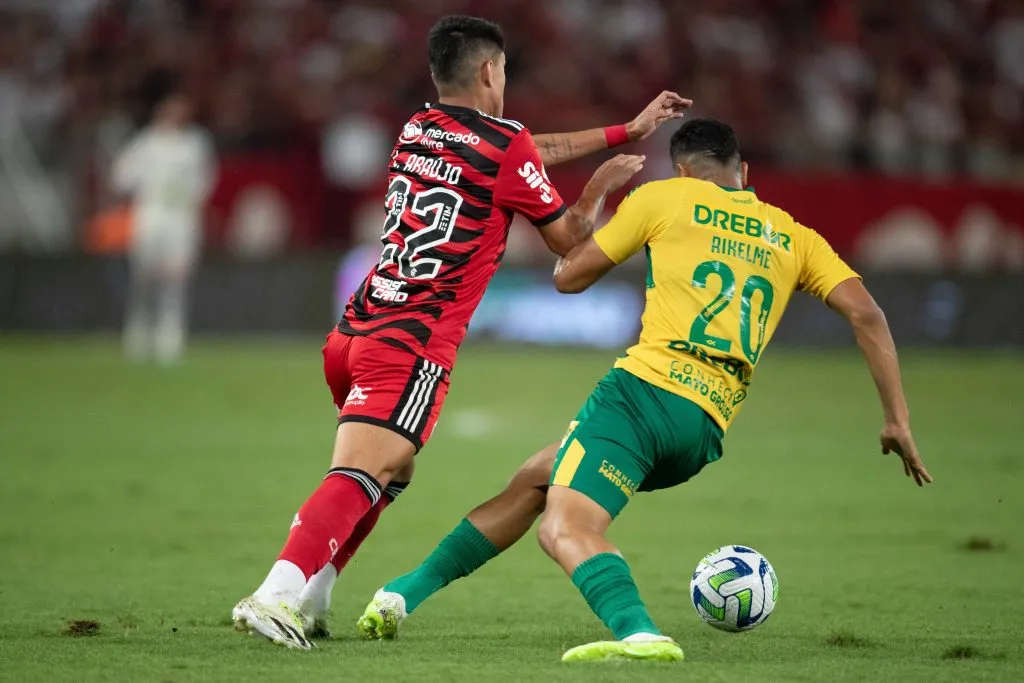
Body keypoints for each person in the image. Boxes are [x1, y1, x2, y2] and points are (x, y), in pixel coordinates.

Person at [359, 118, 933, 662]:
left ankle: (639, 633)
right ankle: (401, 596)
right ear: (745, 174)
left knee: (565, 528)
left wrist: (600, 191)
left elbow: (567, 277)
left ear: (683, 171)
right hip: (702, 428)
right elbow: (868, 315)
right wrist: (896, 420)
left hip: (640, 398)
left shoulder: (663, 198)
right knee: (539, 477)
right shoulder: (795, 236)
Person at [231, 14, 691, 649]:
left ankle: (313, 596)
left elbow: (526, 148)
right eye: (503, 70)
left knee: (392, 471)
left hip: (354, 332)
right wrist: (600, 188)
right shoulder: (506, 148)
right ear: (488, 71)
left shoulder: (418, 128)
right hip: (411, 340)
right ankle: (275, 593)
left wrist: (623, 131)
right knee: (365, 469)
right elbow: (568, 240)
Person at [113, 93, 215, 364]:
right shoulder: (146, 142)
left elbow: (205, 181)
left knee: (175, 280)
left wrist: (187, 198)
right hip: (150, 218)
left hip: (181, 221)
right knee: (143, 279)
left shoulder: (195, 144)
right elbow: (122, 176)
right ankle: (137, 336)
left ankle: (170, 340)